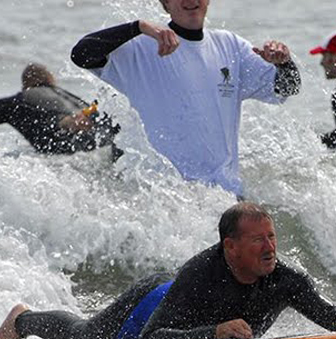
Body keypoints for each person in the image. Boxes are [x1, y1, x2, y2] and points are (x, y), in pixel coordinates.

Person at [0, 202, 336, 339]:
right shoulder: (201, 273)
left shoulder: (285, 279)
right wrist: (216, 332)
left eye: (273, 237)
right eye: (257, 240)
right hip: (151, 304)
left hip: (188, 314)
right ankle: (21, 319)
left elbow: (327, 314)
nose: (270, 248)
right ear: (230, 246)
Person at [70, 0, 301, 197]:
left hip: (227, 195)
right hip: (171, 199)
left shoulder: (231, 46)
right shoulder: (140, 47)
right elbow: (81, 54)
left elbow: (288, 87)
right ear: (166, 3)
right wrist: (138, 27)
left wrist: (284, 63)